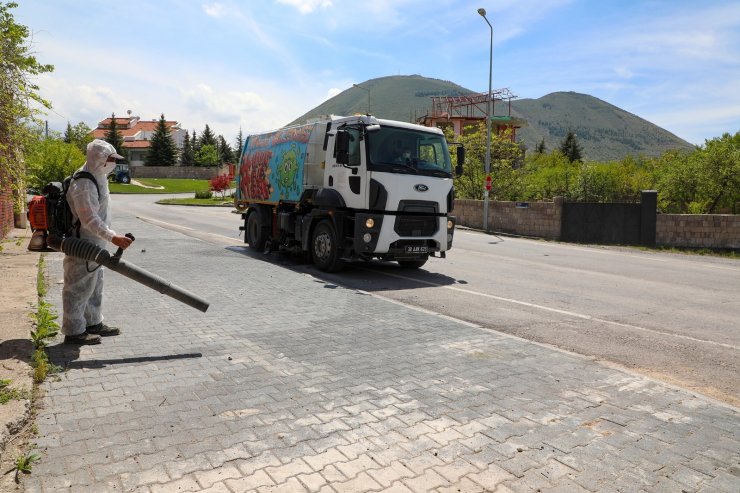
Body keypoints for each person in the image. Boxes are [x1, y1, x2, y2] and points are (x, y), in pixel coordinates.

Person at [62, 139, 133, 345]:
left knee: (94, 285)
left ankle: (93, 323)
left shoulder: (98, 176)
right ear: (99, 159)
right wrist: (113, 237)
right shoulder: (84, 184)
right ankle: (74, 331)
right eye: (110, 159)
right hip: (83, 245)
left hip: (96, 244)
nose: (113, 163)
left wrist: (108, 237)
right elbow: (89, 219)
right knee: (77, 288)